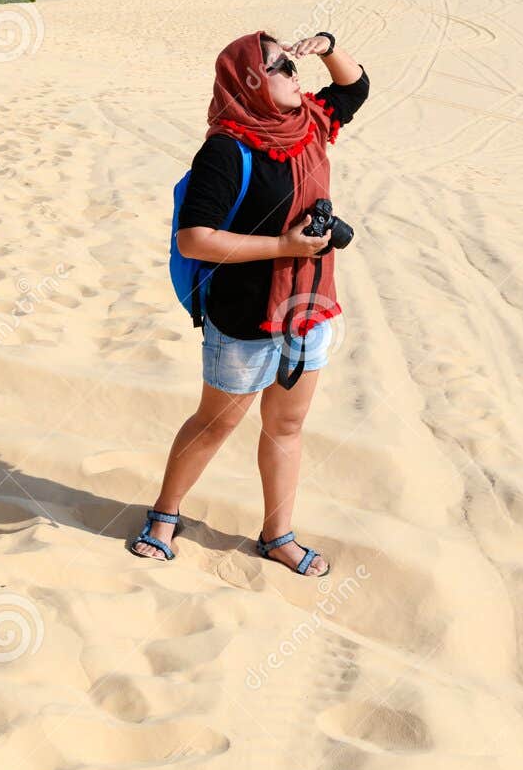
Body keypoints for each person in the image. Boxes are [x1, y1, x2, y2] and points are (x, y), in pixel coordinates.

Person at [130, 29, 368, 574]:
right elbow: (196, 238)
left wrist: (327, 46)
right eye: (282, 66)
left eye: (292, 64)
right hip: (244, 314)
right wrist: (284, 245)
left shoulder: (310, 122)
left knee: (286, 425)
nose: (295, 73)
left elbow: (355, 88)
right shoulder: (225, 148)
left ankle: (277, 534)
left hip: (307, 306)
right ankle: (165, 514)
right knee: (217, 423)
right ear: (251, 80)